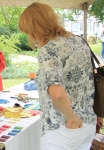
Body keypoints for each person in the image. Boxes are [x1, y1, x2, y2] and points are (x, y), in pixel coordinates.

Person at [19, 2, 97, 150]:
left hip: (63, 128)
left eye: (28, 31)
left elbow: (58, 94)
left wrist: (71, 118)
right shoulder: (78, 40)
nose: (29, 36)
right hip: (87, 125)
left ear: (35, 28)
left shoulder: (49, 50)